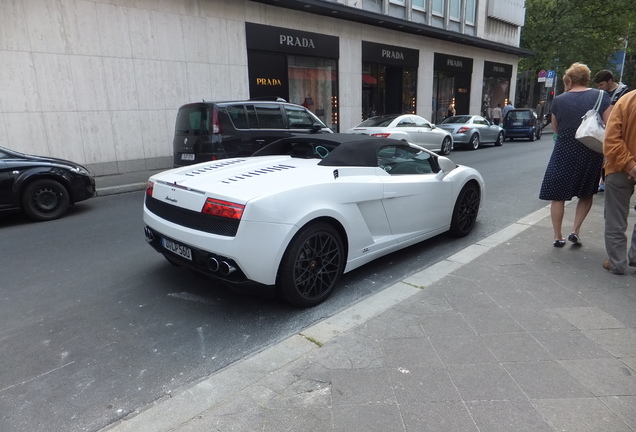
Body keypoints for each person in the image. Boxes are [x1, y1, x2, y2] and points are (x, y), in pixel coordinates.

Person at [539, 62, 611, 247]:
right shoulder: (601, 96)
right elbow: (608, 126)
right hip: (590, 151)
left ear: (569, 80)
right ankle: (575, 231)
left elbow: (556, 129)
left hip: (564, 151)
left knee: (558, 196)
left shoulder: (559, 100)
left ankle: (557, 236)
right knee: (586, 193)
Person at [602, 89, 636, 274]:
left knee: (615, 217)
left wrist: (630, 165)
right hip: (624, 167)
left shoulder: (626, 101)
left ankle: (617, 262)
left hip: (619, 169)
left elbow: (611, 140)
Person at [593, 70, 631, 192]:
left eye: (601, 84)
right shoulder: (601, 94)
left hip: (617, 132)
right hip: (601, 130)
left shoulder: (625, 93)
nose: (600, 88)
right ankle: (601, 181)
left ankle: (604, 181)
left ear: (610, 81)